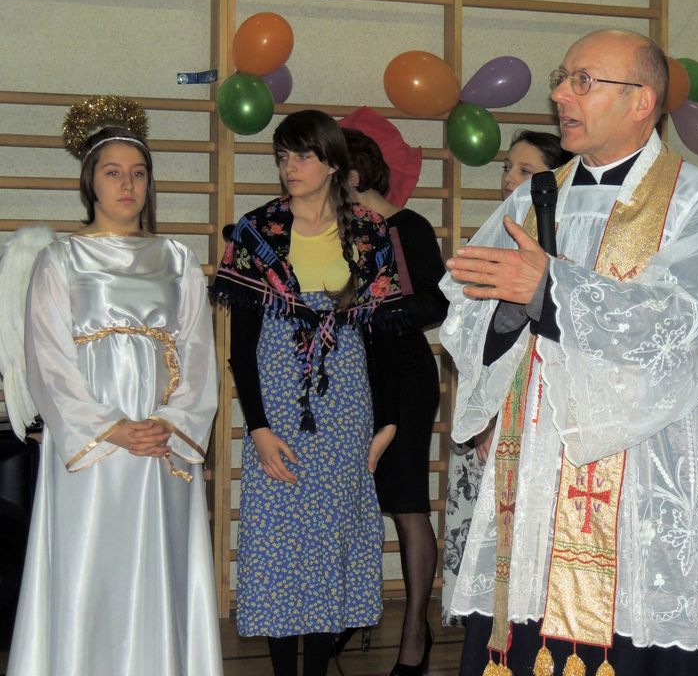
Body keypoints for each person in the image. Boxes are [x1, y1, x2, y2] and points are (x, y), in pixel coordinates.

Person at [441, 29, 698, 676]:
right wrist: (507, 312)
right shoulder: (532, 197)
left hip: (640, 471)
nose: (560, 94)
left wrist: (548, 290)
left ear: (641, 101)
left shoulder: (697, 203)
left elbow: (681, 321)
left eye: (582, 81)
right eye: (562, 78)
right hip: (535, 466)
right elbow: (468, 310)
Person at [6, 96, 222, 675]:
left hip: (161, 445)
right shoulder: (60, 259)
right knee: (90, 563)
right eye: (113, 172)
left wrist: (169, 425)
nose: (128, 185)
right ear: (91, 183)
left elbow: (199, 354)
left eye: (138, 173)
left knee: (159, 562)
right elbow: (48, 361)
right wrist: (111, 428)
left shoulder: (177, 259)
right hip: (94, 446)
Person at [212, 110, 400, 676]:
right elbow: (241, 349)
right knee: (277, 547)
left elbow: (386, 338)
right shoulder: (255, 232)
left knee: (329, 545)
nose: (289, 167)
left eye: (302, 156)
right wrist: (258, 428)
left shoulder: (369, 232)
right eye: (282, 157)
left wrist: (387, 421)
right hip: (277, 412)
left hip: (346, 409)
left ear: (333, 163)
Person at [442, 129, 569, 626]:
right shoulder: (499, 234)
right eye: (507, 168)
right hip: (492, 409)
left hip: (538, 410)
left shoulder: (569, 236)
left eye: (525, 171)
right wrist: (482, 415)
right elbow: (478, 340)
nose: (510, 179)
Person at [343, 127, 449, 676]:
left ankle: (414, 632)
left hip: (404, 374)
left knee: (407, 503)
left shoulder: (409, 226)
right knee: (348, 498)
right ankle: (345, 613)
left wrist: (374, 309)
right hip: (352, 376)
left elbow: (436, 303)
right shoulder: (334, 231)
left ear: (352, 175)